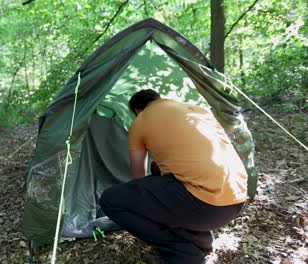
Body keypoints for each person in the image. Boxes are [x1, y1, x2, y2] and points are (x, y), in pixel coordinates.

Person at [99, 89, 248, 264]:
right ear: (158, 99)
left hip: (206, 207)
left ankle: (184, 253)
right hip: (237, 199)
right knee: (157, 170)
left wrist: (145, 209)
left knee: (111, 200)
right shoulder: (196, 110)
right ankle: (200, 239)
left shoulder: (141, 121)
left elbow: (138, 173)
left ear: (137, 110)